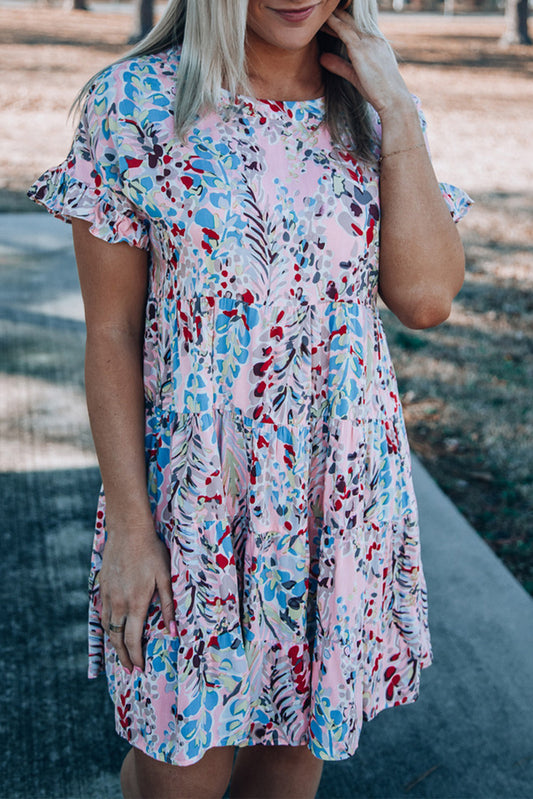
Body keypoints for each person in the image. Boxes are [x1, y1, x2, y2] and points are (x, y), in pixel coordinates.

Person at [28, 1, 472, 798]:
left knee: (286, 770)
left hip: (333, 504)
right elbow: (111, 333)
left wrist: (398, 111)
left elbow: (427, 298)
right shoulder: (134, 105)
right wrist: (131, 524)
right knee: (179, 772)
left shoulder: (373, 110)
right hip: (192, 504)